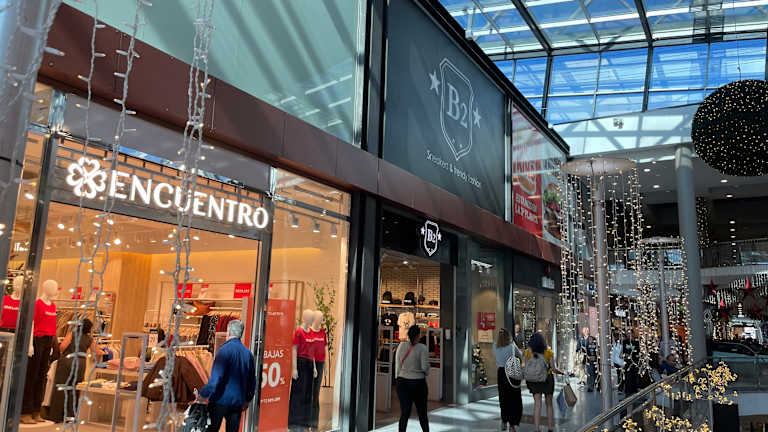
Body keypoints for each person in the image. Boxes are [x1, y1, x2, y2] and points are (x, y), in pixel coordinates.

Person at [198, 320, 256, 432]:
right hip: (237, 401)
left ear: (228, 333)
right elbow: (252, 380)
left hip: (220, 400)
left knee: (212, 429)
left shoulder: (224, 351)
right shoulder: (248, 354)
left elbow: (216, 378)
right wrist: (247, 399)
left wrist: (203, 394)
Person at [47, 317, 102, 422]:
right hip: (80, 363)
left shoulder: (72, 334)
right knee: (75, 389)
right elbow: (98, 352)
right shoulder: (90, 339)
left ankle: (56, 416)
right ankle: (70, 415)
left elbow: (62, 347)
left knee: (61, 387)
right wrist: (95, 361)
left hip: (67, 361)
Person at [525, 332, 563, 432]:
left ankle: (537, 429)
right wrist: (561, 372)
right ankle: (550, 428)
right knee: (549, 404)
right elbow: (553, 369)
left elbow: (527, 367)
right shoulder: (549, 352)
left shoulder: (528, 352)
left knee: (537, 404)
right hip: (547, 378)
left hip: (534, 380)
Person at [395, 325, 430, 432]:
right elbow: (424, 368)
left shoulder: (401, 345)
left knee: (405, 412)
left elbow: (397, 364)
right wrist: (427, 370)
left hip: (402, 382)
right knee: (422, 413)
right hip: (418, 383)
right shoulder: (422, 348)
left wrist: (398, 377)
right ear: (418, 335)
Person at [494, 328, 523, 431]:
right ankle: (512, 425)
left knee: (503, 398)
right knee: (513, 398)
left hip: (501, 373)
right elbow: (520, 356)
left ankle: (503, 421)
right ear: (508, 336)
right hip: (511, 372)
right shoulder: (512, 346)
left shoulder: (495, 346)